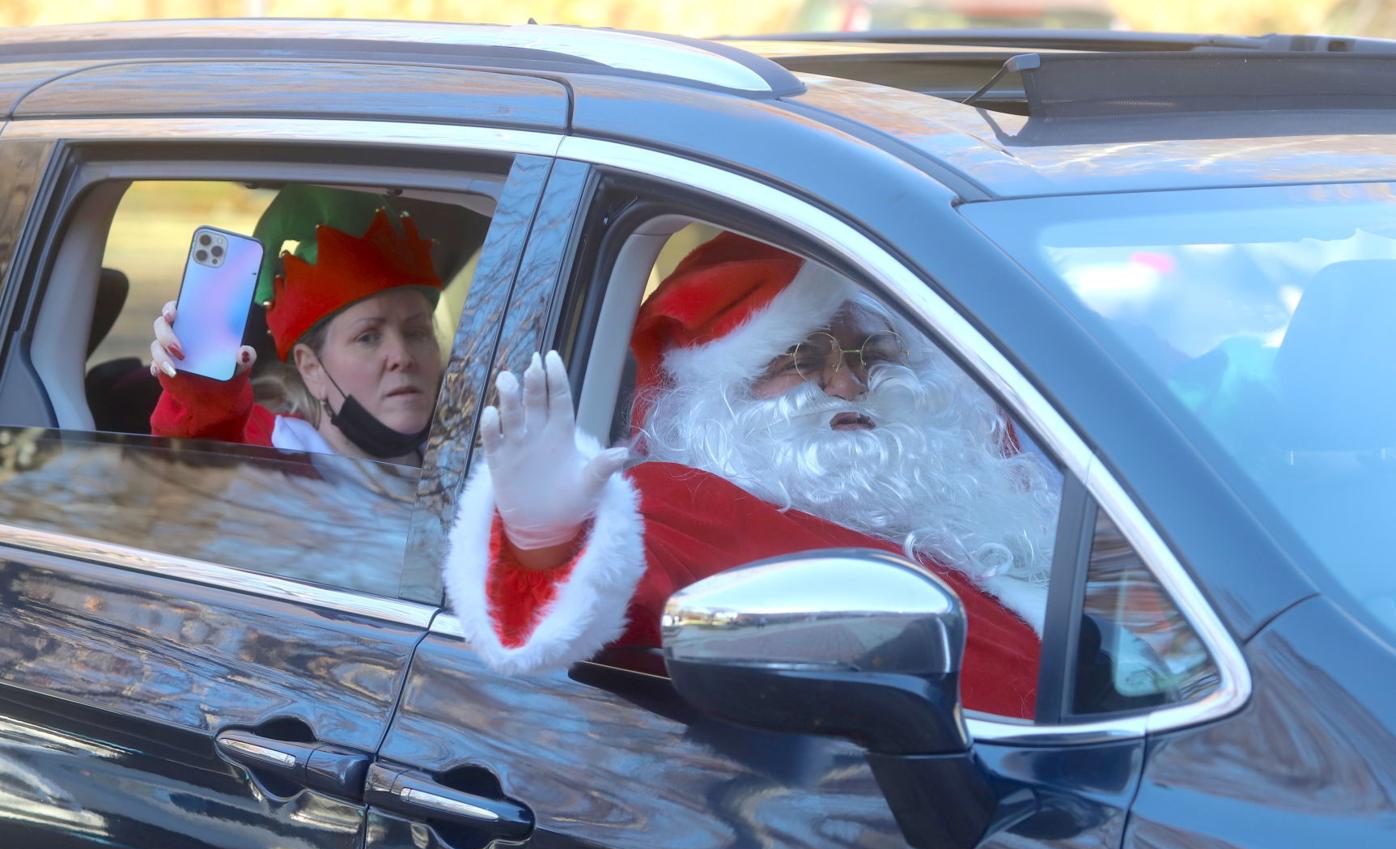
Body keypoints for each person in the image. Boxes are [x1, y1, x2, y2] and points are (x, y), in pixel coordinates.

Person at [444, 232, 1059, 718]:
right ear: (719, 398)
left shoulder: (963, 468)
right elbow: (582, 608)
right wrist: (542, 542)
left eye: (870, 355)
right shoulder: (683, 506)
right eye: (802, 360)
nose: (849, 386)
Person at [148, 186, 444, 465]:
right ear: (311, 368)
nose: (402, 357)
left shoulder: (474, 454)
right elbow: (193, 468)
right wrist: (201, 393)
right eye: (368, 337)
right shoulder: (271, 459)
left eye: (417, 332)